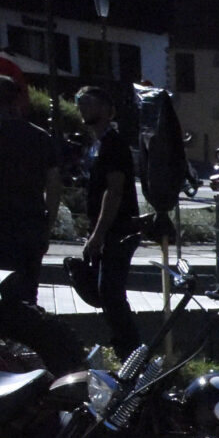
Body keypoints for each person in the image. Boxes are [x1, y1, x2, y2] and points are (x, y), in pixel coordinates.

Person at [0, 75, 59, 303]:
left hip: (1, 223)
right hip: (33, 222)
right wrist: (47, 227)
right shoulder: (41, 135)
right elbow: (55, 187)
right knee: (26, 297)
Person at [72, 85, 142, 354]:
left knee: (111, 293)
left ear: (107, 109)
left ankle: (132, 351)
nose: (82, 107)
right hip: (105, 229)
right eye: (79, 102)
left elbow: (114, 190)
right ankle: (126, 347)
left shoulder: (114, 144)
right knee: (105, 293)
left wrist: (99, 234)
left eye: (88, 102)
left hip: (119, 229)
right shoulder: (95, 145)